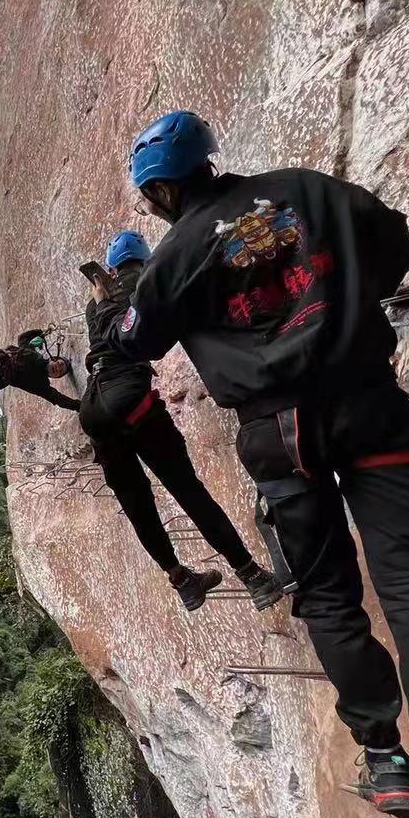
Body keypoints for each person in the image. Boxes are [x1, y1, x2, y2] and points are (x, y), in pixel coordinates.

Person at [94, 109, 409, 818]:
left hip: (278, 433)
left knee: (325, 595)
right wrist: (344, 304)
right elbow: (392, 240)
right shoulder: (306, 194)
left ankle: (385, 761)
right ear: (211, 161)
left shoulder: (174, 258)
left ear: (157, 194)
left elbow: (134, 340)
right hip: (366, 402)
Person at [83, 230, 285, 613]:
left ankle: (183, 582)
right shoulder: (147, 282)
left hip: (94, 410)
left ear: (112, 265)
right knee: (188, 492)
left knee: (138, 504)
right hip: (132, 400)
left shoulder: (96, 301)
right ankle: (252, 577)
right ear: (143, 259)